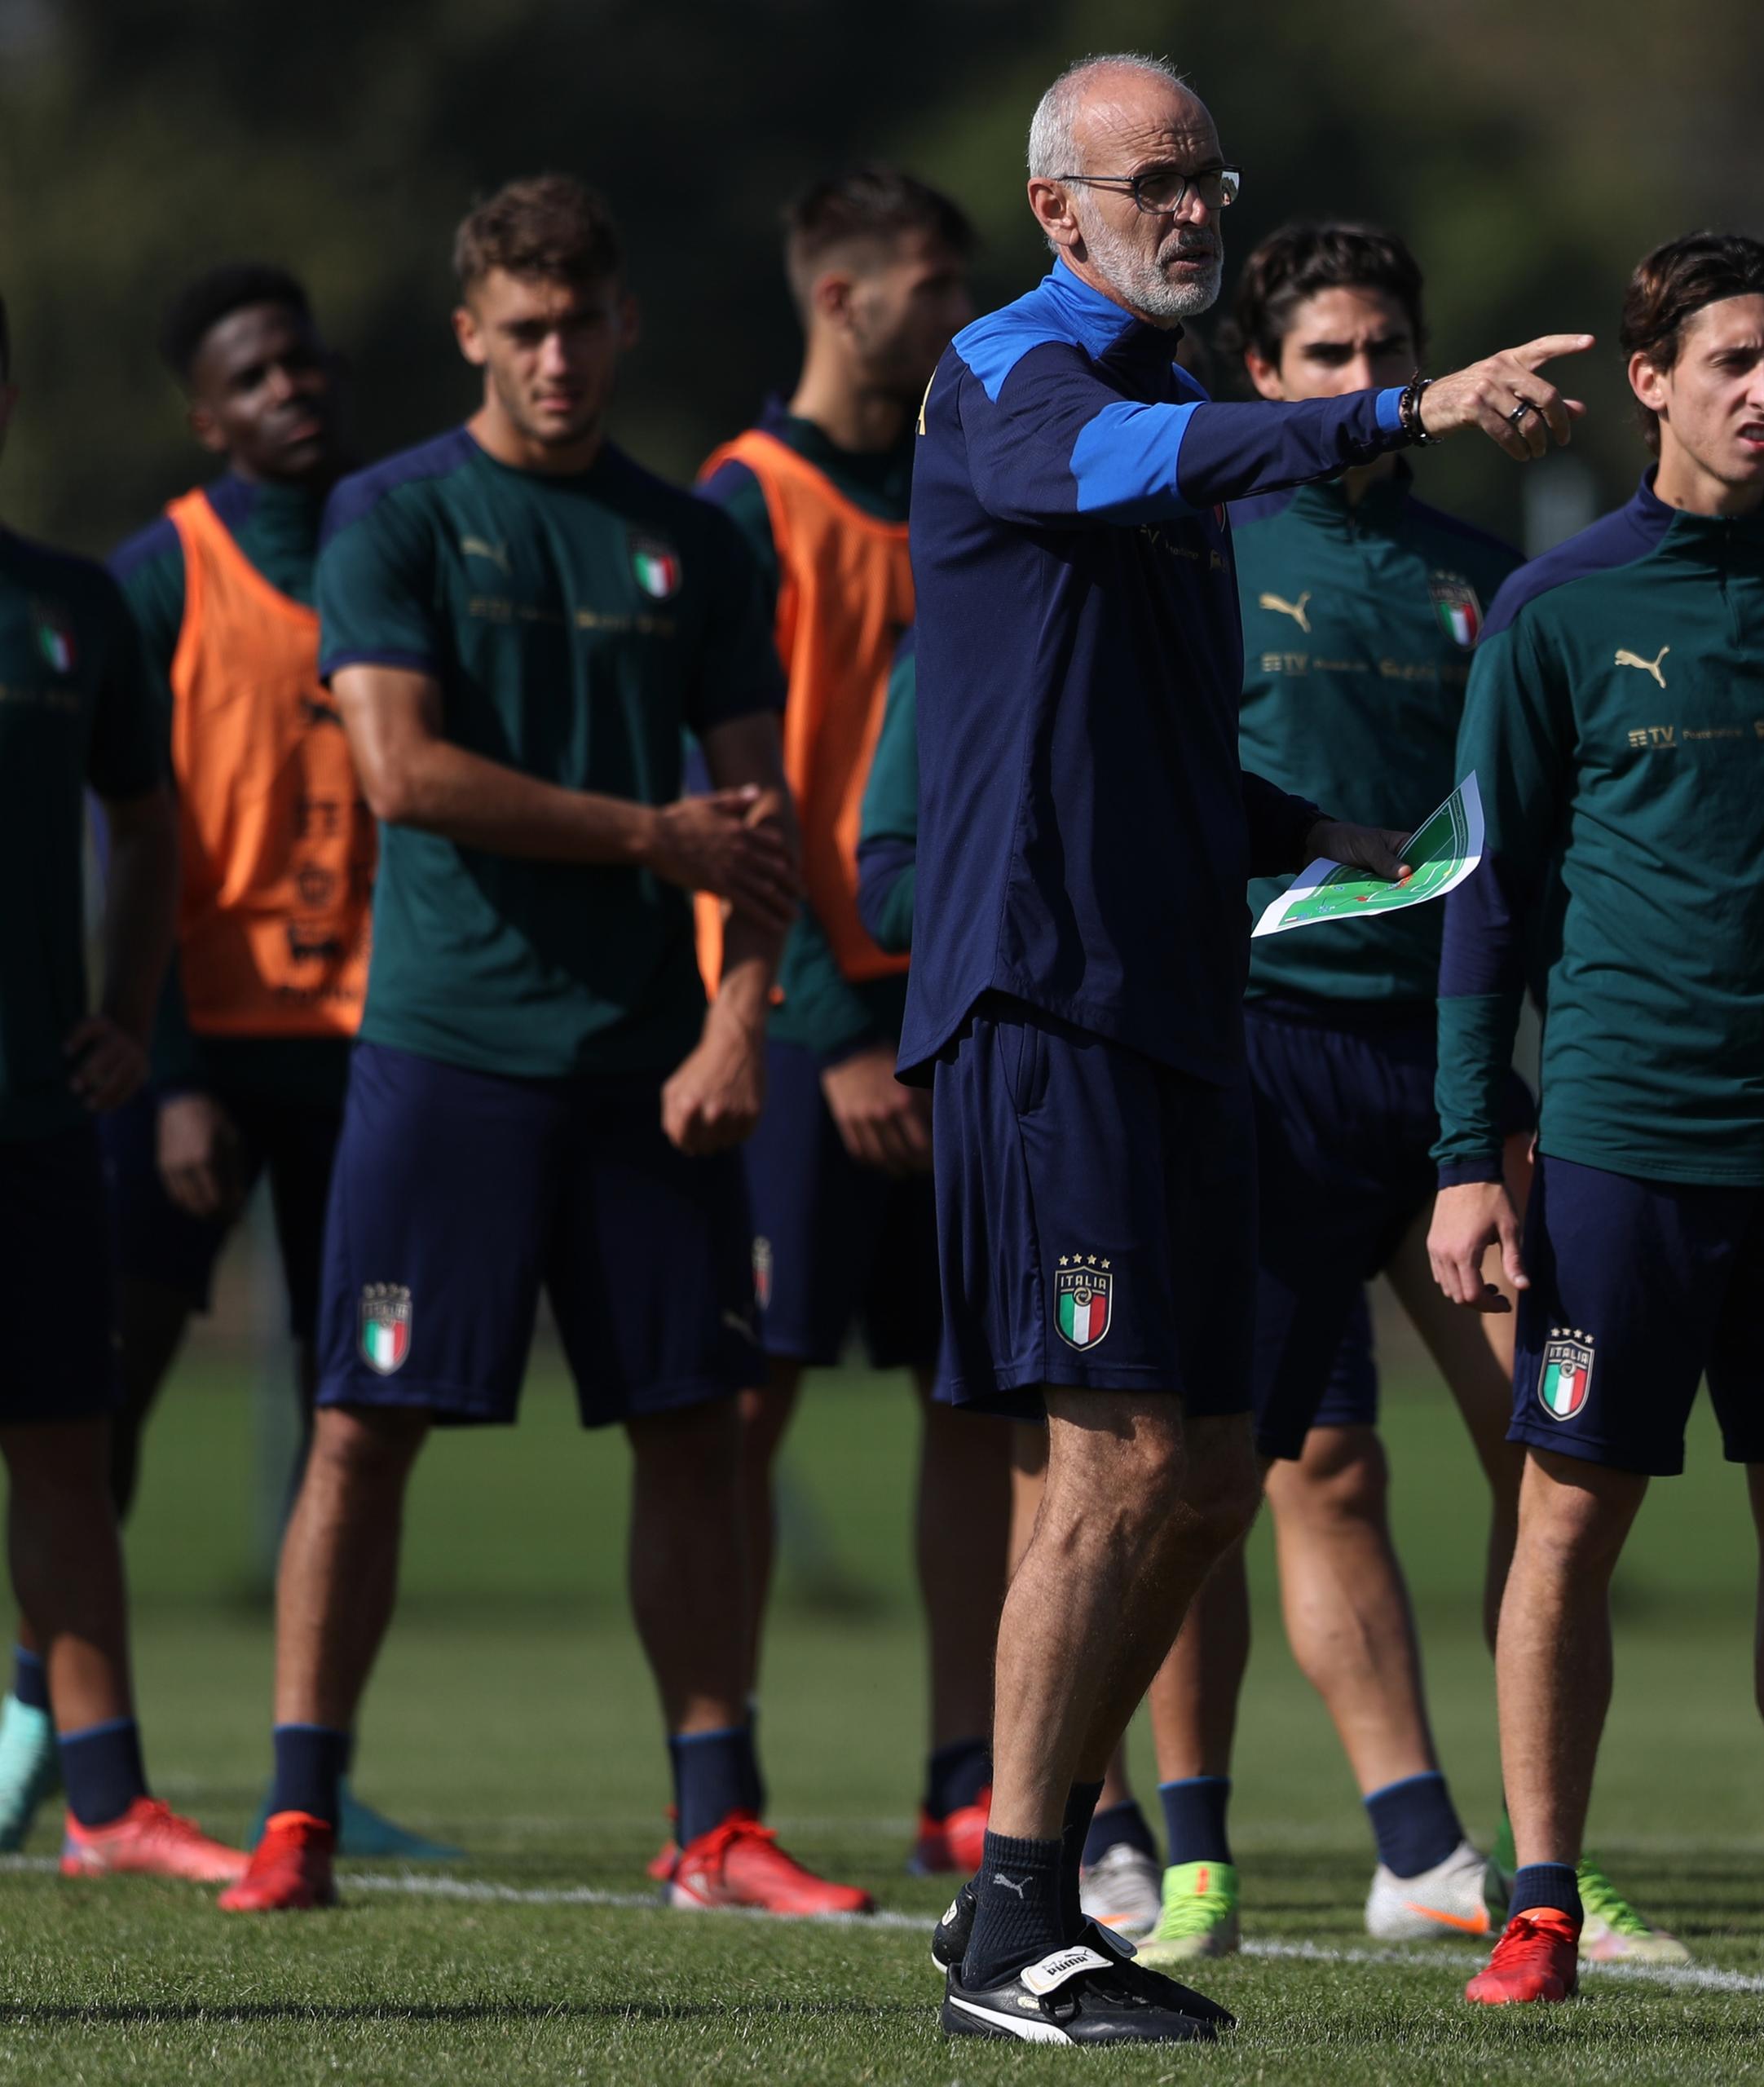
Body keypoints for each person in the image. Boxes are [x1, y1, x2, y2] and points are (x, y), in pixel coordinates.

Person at [904, 52, 1592, 2046]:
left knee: (1213, 1468)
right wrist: (1391, 409)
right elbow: (1117, 473)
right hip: (1050, 1001)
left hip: (1184, 1003)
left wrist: (1310, 836)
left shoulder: (1171, 421)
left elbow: (1150, 732)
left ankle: (1016, 1895)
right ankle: (1031, 1912)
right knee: (1116, 1449)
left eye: (1209, 176)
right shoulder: (1013, 374)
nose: (1191, 208)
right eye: (1151, 181)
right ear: (1058, 212)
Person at [222, 175, 865, 1919]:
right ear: (469, 335)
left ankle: (718, 1820)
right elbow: (401, 773)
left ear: (625, 322)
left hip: (653, 1063)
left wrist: (743, 1014)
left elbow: (763, 812)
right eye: (523, 331)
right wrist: (650, 840)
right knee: (363, 1427)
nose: (557, 357)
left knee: (694, 1429)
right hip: (446, 1052)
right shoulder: (394, 515)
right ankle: (300, 1810)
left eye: (582, 324)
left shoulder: (695, 539)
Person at [1112, 218, 1674, 1970]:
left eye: (1386, 352)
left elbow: (1503, 848)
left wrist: (1516, 1069)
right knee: (1234, 1467)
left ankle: (1530, 1862)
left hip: (1443, 1070)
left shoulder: (1478, 571)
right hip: (1255, 1055)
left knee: (1557, 1453)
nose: (1362, 382)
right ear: (1264, 380)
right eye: (1328, 357)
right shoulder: (1203, 543)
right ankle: (1187, 1851)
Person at [1427, 232, 1764, 2011]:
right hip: (1618, 1148)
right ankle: (1537, 1900)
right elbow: (1484, 901)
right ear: (1651, 380)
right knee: (1570, 1518)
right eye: (1731, 360)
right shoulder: (1557, 609)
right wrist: (1462, 1155)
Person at [15, 265, 455, 1868]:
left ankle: (308, 1763)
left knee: (349, 1407)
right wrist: (173, 1062)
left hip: (367, 1050)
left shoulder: (396, 544)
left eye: (308, 361)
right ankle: (40, 1726)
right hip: (189, 1058)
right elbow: (146, 838)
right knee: (98, 1390)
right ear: (205, 414)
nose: (296, 387)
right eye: (256, 373)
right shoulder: (148, 577)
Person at [686, 165, 1008, 1884]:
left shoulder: (966, 478)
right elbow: (737, 796)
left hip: (959, 1021)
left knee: (980, 1400)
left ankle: (965, 1770)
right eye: (934, 285)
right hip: (812, 1027)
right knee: (751, 1400)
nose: (956, 313)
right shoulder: (743, 501)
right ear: (841, 296)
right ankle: (719, 1789)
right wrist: (821, 1023)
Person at [0, 285, 249, 1886]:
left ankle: (106, 1798)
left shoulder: (73, 605)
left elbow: (152, 825)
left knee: (67, 1450)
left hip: (31, 1114)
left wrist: (120, 1011)